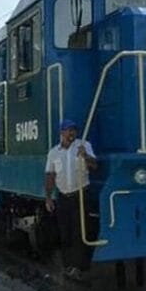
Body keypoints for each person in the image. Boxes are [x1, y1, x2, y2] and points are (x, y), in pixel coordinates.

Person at [44, 119, 97, 280]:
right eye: (68, 130)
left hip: (80, 195)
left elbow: (95, 166)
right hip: (63, 197)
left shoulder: (84, 145)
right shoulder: (54, 152)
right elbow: (50, 175)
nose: (71, 133)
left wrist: (85, 156)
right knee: (65, 233)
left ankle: (80, 268)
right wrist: (48, 198)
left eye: (73, 129)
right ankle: (68, 266)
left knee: (79, 232)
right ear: (62, 133)